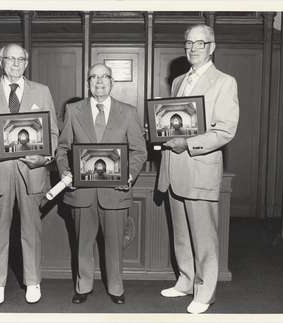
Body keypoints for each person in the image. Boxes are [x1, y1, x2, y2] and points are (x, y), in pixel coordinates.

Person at [0, 43, 58, 305]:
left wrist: (44, 157)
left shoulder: (42, 91)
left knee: (32, 228)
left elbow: (52, 133)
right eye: (11, 59)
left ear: (26, 63)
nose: (16, 64)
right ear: (0, 61)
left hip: (32, 169)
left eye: (21, 60)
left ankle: (33, 281)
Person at [158, 24, 239, 314]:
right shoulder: (179, 81)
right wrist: (159, 131)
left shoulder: (224, 82)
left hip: (199, 167)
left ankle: (204, 292)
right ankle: (186, 280)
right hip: (173, 168)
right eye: (188, 43)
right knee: (181, 233)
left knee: (204, 236)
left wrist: (189, 144)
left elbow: (225, 131)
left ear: (212, 47)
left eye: (199, 43)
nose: (192, 48)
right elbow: (173, 120)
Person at [56, 63, 147, 305]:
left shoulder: (127, 112)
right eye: (93, 77)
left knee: (115, 245)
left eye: (104, 77)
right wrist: (66, 174)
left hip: (115, 192)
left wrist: (129, 175)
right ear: (87, 83)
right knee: (82, 244)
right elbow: (62, 148)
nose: (99, 81)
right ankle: (83, 285)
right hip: (81, 193)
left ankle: (116, 288)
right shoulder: (73, 110)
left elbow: (139, 151)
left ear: (112, 82)